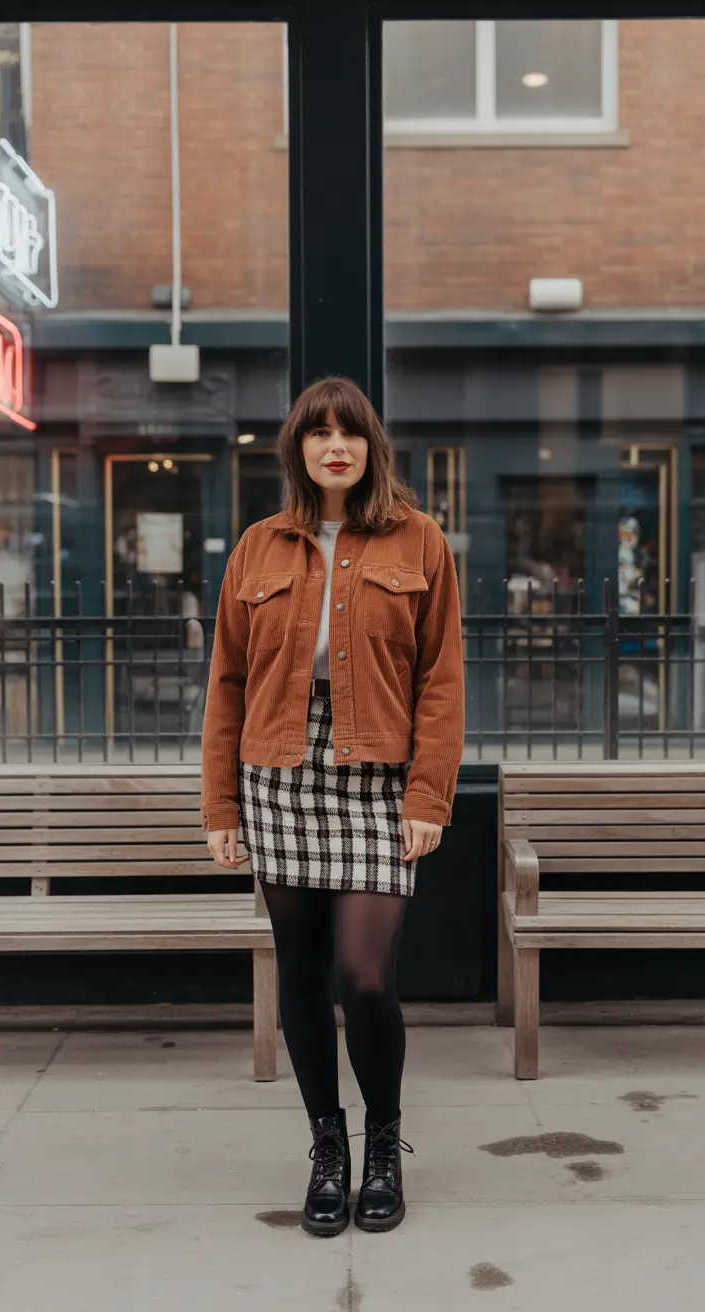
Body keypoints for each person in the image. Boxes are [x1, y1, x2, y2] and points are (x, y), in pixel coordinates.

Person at [201, 376, 465, 1237]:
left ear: (371, 445)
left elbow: (442, 682)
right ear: (297, 450)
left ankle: (384, 1140)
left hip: (377, 780)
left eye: (348, 431)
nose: (333, 445)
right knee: (303, 978)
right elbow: (227, 684)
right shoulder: (257, 548)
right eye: (317, 433)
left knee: (365, 978)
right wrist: (220, 807)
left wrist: (429, 794)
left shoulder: (419, 541)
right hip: (279, 774)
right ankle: (329, 1148)